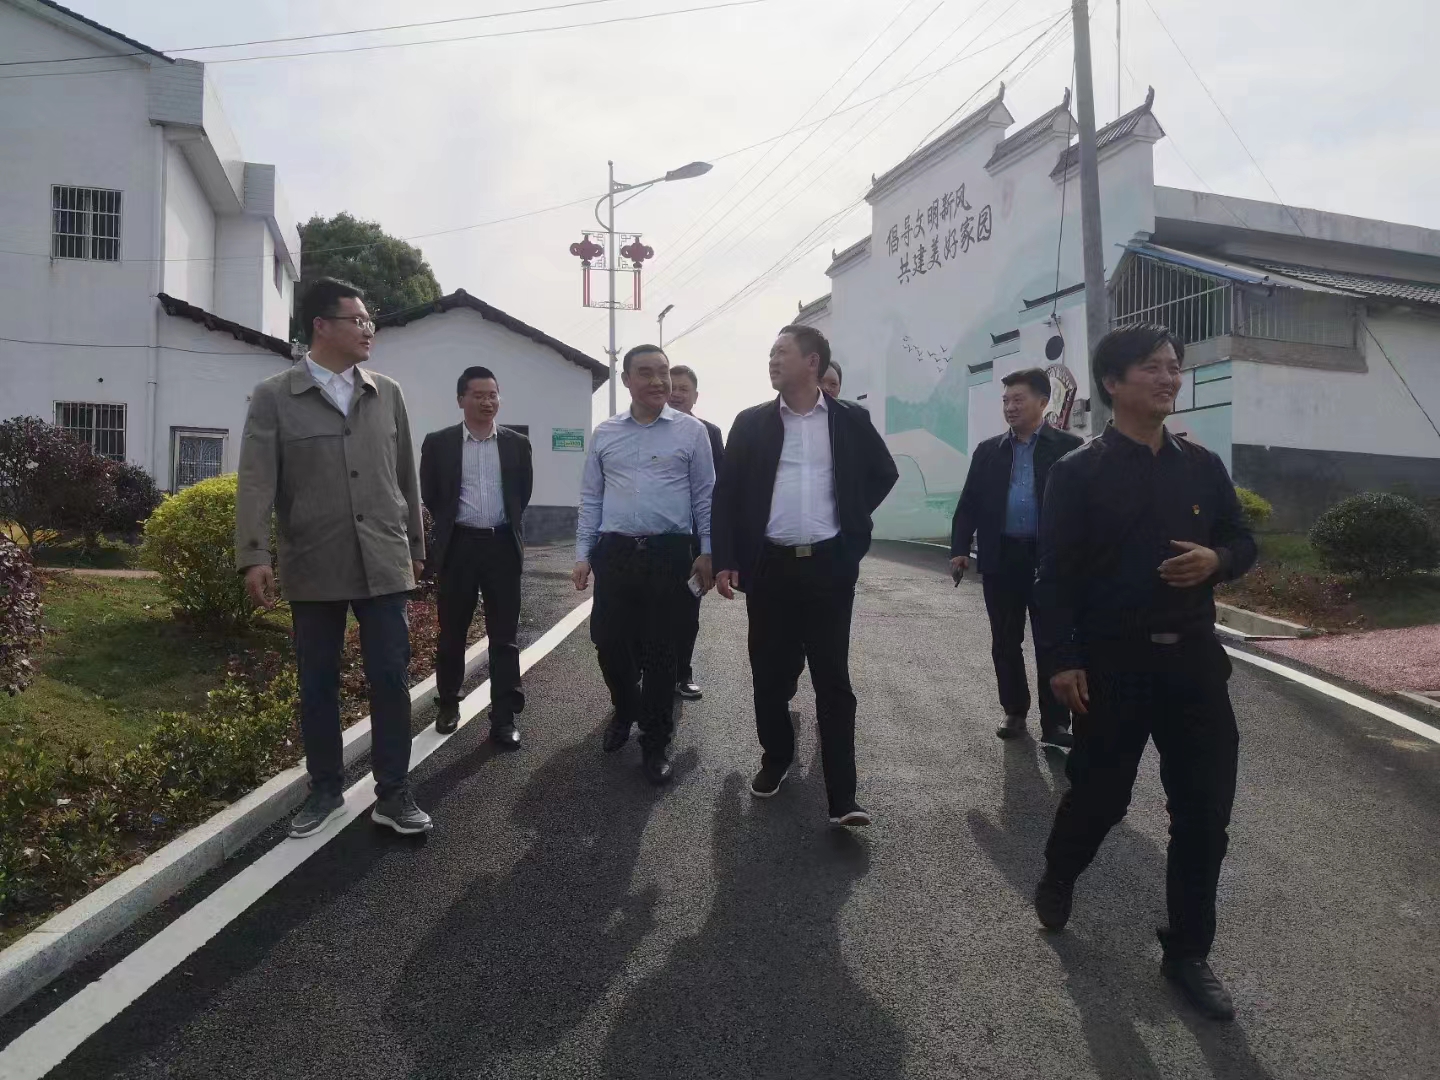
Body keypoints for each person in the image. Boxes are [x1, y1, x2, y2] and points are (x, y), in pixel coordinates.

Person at [1032, 324, 1256, 1021]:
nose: (1169, 378)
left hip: (1193, 662)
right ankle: (1061, 870)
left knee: (1205, 814)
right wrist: (1062, 660)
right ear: (1113, 382)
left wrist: (1218, 561)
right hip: (1114, 665)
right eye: (1153, 368)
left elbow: (1242, 539)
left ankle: (1188, 952)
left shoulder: (1201, 466)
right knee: (1101, 796)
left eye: (1174, 366)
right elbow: (1054, 577)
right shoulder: (1078, 473)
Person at [236, 278, 431, 837]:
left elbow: (406, 476)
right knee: (317, 682)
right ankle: (325, 790)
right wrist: (254, 554)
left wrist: (415, 547)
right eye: (358, 320)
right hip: (313, 559)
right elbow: (257, 480)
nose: (369, 329)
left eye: (370, 321)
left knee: (390, 677)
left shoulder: (386, 393)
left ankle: (393, 793)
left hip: (383, 559)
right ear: (321, 326)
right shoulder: (275, 395)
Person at [713, 325, 898, 827]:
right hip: (769, 567)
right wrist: (727, 557)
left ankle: (843, 797)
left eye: (782, 352)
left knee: (833, 679)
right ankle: (776, 757)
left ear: (812, 362)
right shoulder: (751, 423)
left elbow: (884, 473)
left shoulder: (848, 419)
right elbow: (726, 495)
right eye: (771, 352)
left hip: (829, 566)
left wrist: (852, 521)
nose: (772, 360)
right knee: (769, 673)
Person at [573, 345, 715, 785]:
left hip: (669, 553)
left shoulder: (692, 432)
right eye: (647, 373)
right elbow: (591, 497)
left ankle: (655, 742)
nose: (658, 381)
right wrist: (582, 554)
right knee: (607, 641)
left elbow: (705, 497)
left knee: (660, 653)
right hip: (615, 552)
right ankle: (625, 709)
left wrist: (708, 551)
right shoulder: (606, 433)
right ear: (627, 380)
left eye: (663, 372)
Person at [950, 367, 1082, 747]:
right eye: (1006, 400)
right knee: (1005, 641)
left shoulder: (1069, 447)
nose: (1010, 407)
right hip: (1002, 557)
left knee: (1051, 641)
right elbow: (969, 503)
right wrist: (959, 550)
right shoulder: (988, 451)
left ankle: (1056, 723)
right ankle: (1014, 710)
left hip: (1049, 562)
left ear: (1043, 402)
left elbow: (1084, 508)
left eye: (1018, 399)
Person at [420, 366, 533, 747]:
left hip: (502, 546)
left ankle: (504, 717)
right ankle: (448, 703)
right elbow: (432, 494)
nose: (488, 402)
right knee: (452, 632)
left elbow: (521, 494)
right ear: (461, 400)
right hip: (459, 547)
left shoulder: (517, 444)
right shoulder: (439, 443)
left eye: (493, 395)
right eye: (479, 395)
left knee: (504, 637)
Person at [667, 363, 726, 701]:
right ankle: (649, 674)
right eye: (672, 387)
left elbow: (720, 490)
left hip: (693, 541)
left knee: (687, 612)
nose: (676, 394)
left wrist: (713, 547)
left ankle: (682, 674)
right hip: (656, 538)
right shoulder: (648, 430)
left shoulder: (709, 433)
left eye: (683, 389)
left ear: (695, 396)